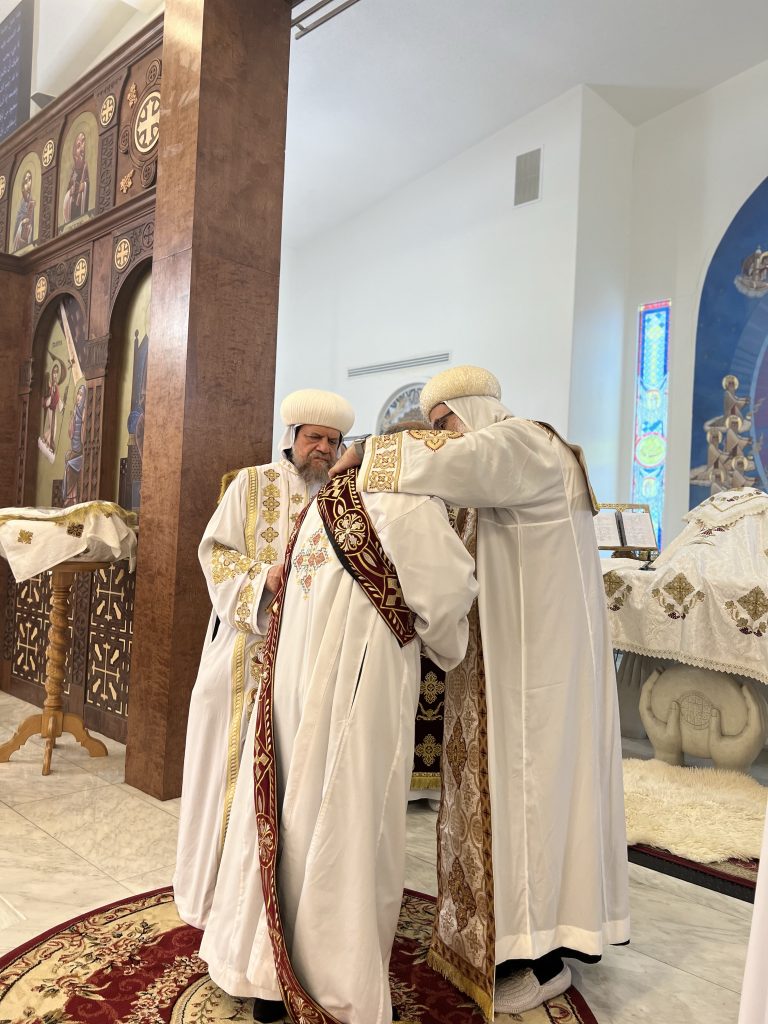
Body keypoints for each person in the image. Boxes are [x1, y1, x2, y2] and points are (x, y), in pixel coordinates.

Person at [330, 364, 630, 1016]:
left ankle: (537, 955)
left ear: (474, 407)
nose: (445, 437)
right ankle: (529, 939)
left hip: (531, 679)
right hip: (519, 667)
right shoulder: (512, 459)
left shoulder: (525, 444)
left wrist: (366, 454)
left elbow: (454, 463)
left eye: (445, 423)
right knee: (530, 807)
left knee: (529, 805)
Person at [198, 464, 477, 1024]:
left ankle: (263, 971)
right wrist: (446, 645)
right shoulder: (408, 503)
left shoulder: (319, 506)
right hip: (360, 689)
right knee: (348, 824)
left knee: (284, 813)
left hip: (293, 682)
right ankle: (329, 981)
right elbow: (448, 599)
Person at [173, 389, 355, 931]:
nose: (323, 449)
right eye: (314, 437)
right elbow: (215, 553)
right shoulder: (251, 484)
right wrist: (262, 579)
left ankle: (267, 906)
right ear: (291, 438)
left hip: (306, 659)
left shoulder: (340, 499)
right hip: (242, 651)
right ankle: (212, 899)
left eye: (333, 441)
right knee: (226, 774)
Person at [63, 130, 90, 223]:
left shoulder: (85, 167)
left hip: (82, 209)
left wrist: (85, 185)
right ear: (74, 154)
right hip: (73, 211)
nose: (82, 148)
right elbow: (68, 190)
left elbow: (87, 183)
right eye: (78, 146)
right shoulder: (73, 171)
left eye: (83, 142)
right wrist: (70, 192)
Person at [12, 169, 35, 252]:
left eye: (30, 179)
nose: (28, 183)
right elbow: (19, 216)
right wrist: (22, 221)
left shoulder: (30, 199)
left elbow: (31, 219)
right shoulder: (23, 201)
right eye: (26, 181)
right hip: (21, 232)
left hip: (27, 232)